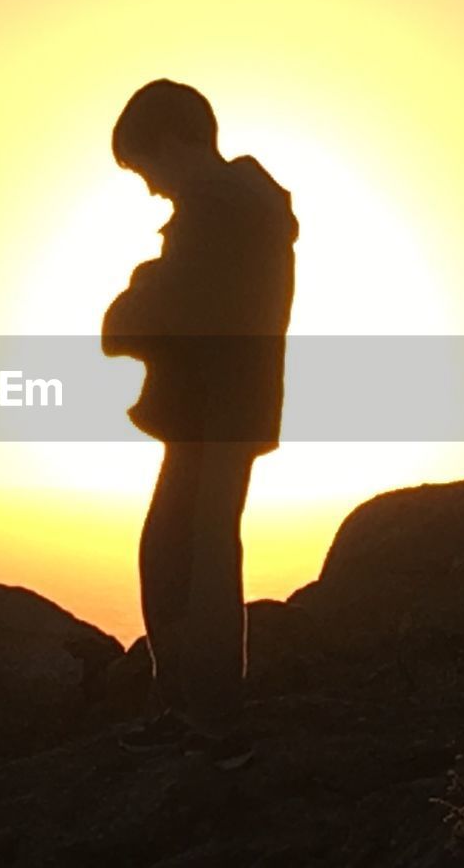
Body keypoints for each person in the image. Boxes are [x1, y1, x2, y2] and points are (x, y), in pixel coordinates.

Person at [102, 80, 298, 769]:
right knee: (179, 550)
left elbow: (171, 312)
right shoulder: (239, 208)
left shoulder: (221, 212)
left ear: (177, 141)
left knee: (198, 556)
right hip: (217, 411)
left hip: (219, 412)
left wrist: (137, 292)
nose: (152, 189)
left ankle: (211, 721)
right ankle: (189, 708)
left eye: (148, 168)